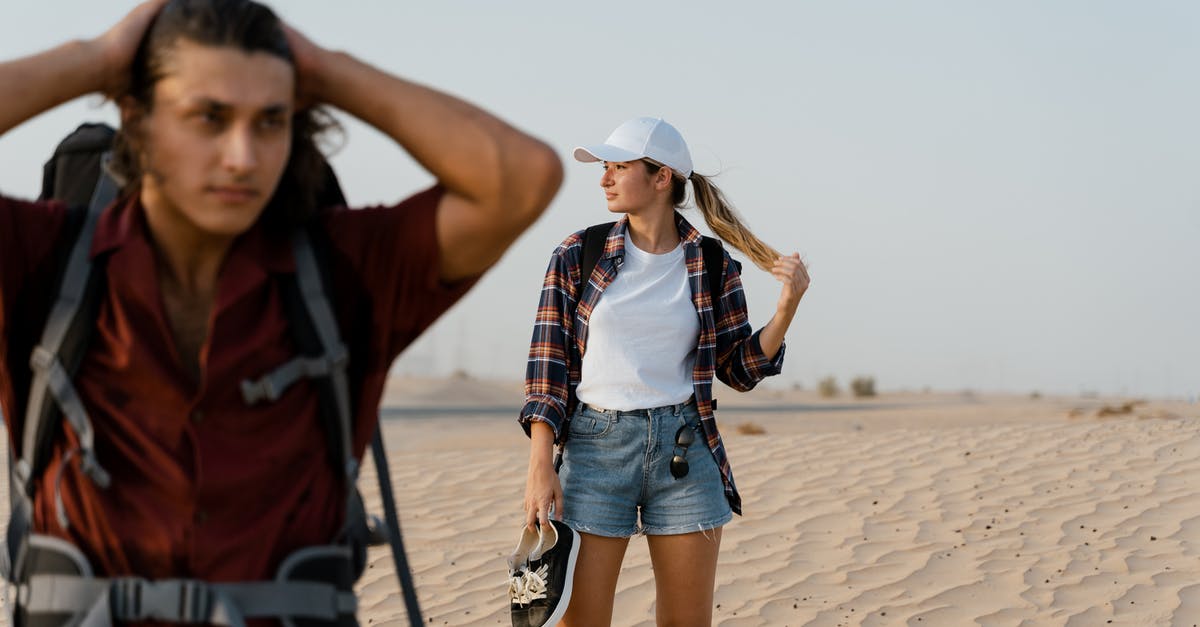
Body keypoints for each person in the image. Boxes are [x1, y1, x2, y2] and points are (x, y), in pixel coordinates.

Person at [0, 0, 561, 623]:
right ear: (138, 117)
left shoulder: (342, 272)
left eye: (269, 121)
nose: (243, 156)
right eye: (209, 117)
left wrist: (325, 69)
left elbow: (521, 177)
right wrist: (97, 60)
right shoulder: (46, 263)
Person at [519, 116, 809, 626]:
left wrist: (786, 309)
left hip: (685, 454)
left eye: (618, 167)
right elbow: (548, 368)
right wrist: (540, 465)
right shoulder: (577, 254)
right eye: (605, 167)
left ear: (662, 178)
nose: (604, 178)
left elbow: (738, 370)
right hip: (594, 453)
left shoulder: (714, 264)